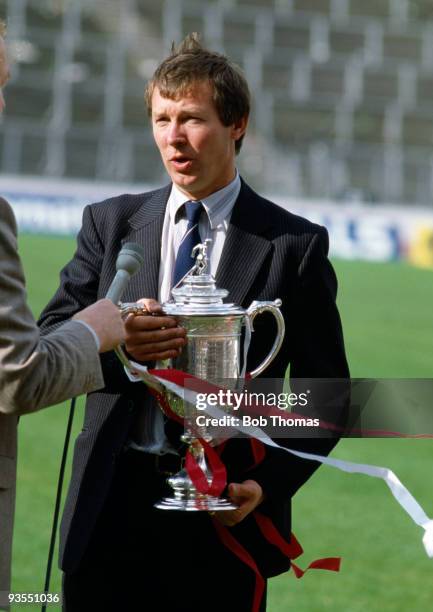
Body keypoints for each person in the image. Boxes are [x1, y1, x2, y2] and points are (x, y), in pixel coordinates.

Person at [38, 34, 349, 611]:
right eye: (162, 118)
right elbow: (51, 333)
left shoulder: (293, 245)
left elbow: (326, 394)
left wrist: (266, 485)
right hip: (108, 512)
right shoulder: (110, 223)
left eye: (192, 119)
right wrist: (117, 343)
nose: (173, 137)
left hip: (227, 517)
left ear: (237, 125)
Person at [0, 21, 125, 610]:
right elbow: (19, 374)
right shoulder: (109, 221)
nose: (3, 103)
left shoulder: (295, 244)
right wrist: (95, 330)